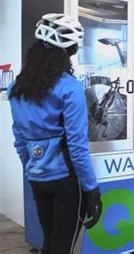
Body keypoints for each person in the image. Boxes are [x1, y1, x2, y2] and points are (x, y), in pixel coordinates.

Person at [8, 13, 102, 253]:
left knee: (49, 242)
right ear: (66, 50)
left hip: (37, 178)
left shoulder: (16, 87)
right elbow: (77, 145)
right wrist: (92, 189)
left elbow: (19, 139)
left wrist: (32, 168)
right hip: (66, 181)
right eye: (74, 46)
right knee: (64, 247)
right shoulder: (69, 87)